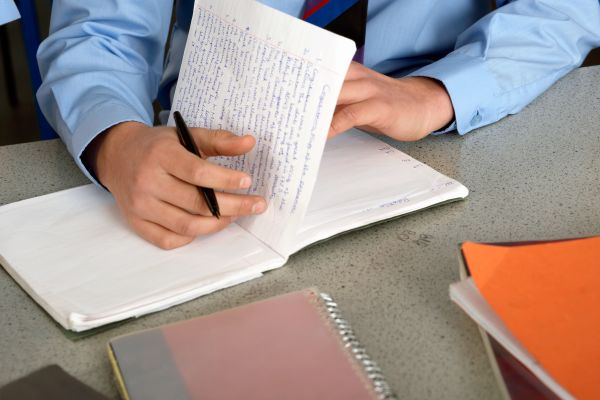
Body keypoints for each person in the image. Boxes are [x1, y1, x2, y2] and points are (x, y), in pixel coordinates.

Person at [37, 0, 600, 249]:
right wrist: (116, 141)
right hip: (208, 131)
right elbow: (98, 34)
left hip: (432, 129)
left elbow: (570, 7)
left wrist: (440, 92)